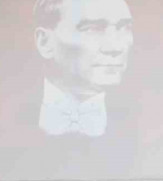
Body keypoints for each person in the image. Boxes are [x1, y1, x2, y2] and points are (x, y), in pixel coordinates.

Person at [33, 0, 134, 137]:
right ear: (45, 42)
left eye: (124, 27)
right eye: (92, 29)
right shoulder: (4, 115)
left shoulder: (152, 124)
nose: (115, 47)